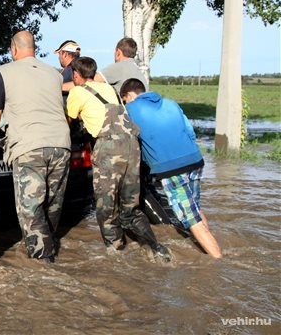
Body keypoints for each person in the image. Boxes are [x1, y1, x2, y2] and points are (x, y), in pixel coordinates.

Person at [66, 56, 171, 262]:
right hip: (132, 146)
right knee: (130, 206)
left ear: (76, 75)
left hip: (108, 147)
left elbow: (69, 121)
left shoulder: (76, 91)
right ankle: (155, 248)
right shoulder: (108, 89)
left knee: (106, 205)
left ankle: (115, 256)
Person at [0, 30, 71, 263]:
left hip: (29, 146)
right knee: (53, 204)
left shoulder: (4, 72)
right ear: (34, 48)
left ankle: (43, 262)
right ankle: (49, 244)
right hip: (61, 144)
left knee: (30, 207)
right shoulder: (55, 74)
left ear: (14, 49)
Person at [120, 79, 223, 258]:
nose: (125, 103)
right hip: (195, 160)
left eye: (124, 100)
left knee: (191, 219)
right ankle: (208, 243)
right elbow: (190, 131)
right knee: (195, 210)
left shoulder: (131, 109)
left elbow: (129, 141)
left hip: (172, 169)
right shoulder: (170, 103)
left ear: (129, 95)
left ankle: (218, 263)